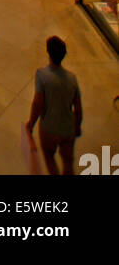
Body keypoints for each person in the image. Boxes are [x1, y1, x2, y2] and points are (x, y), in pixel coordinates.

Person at [25, 36, 82, 176]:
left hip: (49, 128)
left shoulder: (42, 76)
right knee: (68, 163)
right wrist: (77, 126)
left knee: (49, 157)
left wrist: (31, 124)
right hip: (67, 129)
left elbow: (38, 103)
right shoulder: (72, 78)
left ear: (48, 52)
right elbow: (78, 107)